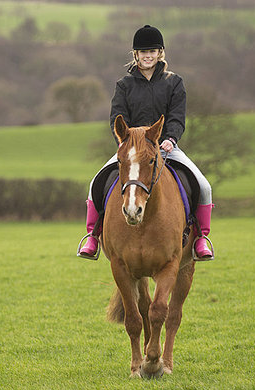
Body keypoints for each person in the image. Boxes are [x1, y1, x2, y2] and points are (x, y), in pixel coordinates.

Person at [77, 25, 214, 261]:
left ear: (160, 53)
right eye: (142, 52)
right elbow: (117, 118)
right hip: (131, 148)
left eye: (152, 51)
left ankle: (201, 237)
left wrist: (171, 138)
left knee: (204, 186)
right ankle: (93, 235)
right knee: (95, 183)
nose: (147, 55)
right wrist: (124, 142)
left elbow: (177, 117)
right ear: (135, 55)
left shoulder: (174, 83)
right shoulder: (124, 85)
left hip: (165, 147)